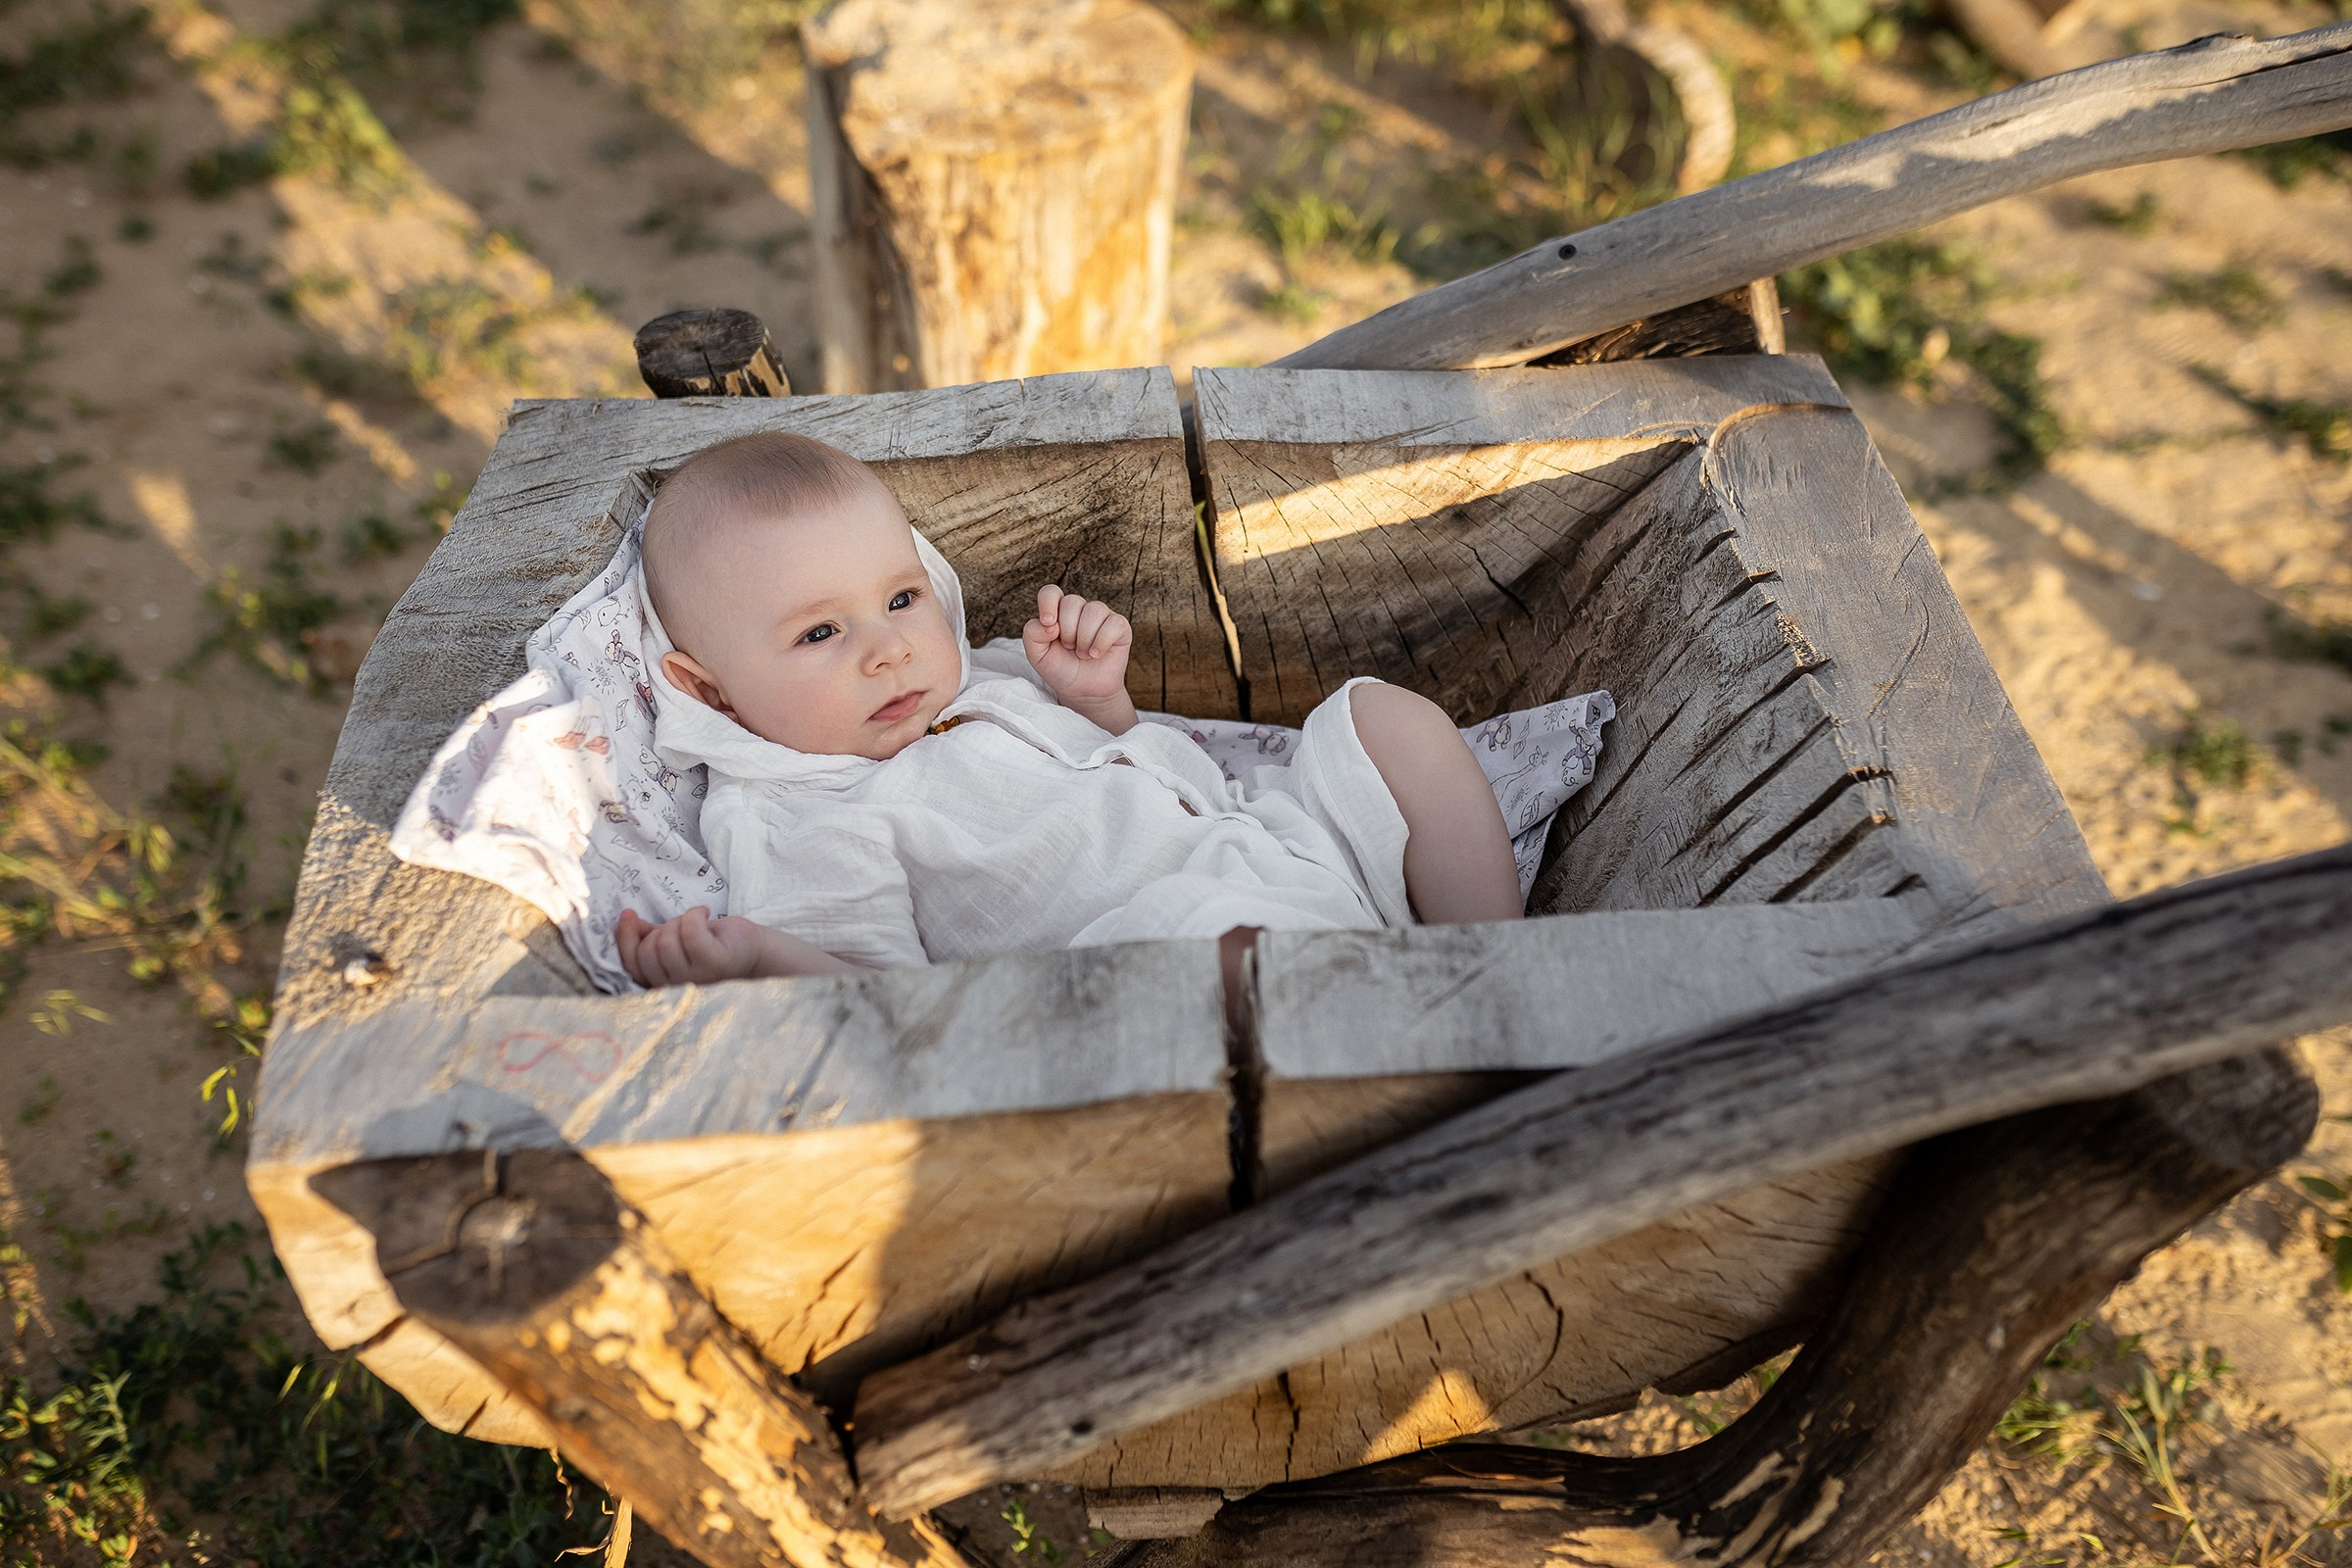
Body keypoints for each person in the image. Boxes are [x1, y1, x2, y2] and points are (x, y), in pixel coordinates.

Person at [614, 429, 1522, 996]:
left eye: (900, 599)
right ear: (710, 689)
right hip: (1148, 956)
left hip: (1285, 854)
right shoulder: (795, 815)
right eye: (819, 633)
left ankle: (1501, 970)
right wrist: (759, 957)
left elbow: (1146, 776)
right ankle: (1429, 1033)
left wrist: (1099, 705)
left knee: (1381, 716)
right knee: (1219, 958)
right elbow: (879, 996)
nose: (888, 649)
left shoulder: (986, 677)